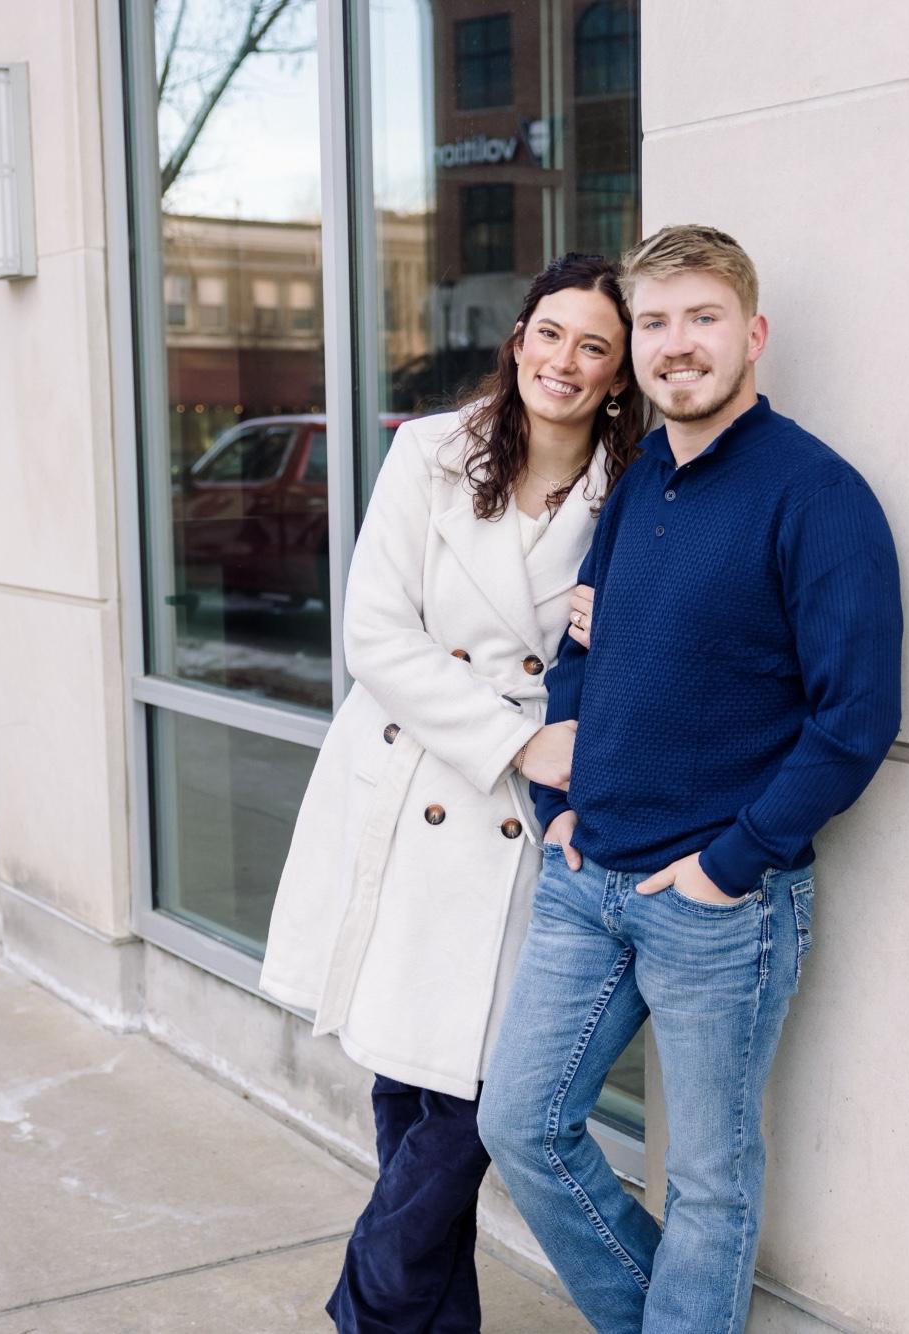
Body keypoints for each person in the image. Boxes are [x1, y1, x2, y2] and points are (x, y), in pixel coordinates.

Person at [477, 225, 904, 1334]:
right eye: (655, 323)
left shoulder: (817, 494)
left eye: (701, 318)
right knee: (520, 1125)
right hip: (588, 875)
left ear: (752, 334)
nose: (676, 344)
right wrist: (560, 805)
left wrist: (729, 864)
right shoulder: (641, 483)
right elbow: (579, 650)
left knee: (709, 1179)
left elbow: (856, 720)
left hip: (718, 901)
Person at [257, 252, 644, 1333]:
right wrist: (517, 739)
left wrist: (609, 637)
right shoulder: (430, 452)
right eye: (549, 333)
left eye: (594, 347)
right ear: (518, 340)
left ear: (618, 376)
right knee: (409, 1074)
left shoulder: (635, 491)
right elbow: (375, 633)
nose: (564, 360)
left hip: (527, 827)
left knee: (472, 1093)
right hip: (421, 772)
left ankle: (371, 1308)